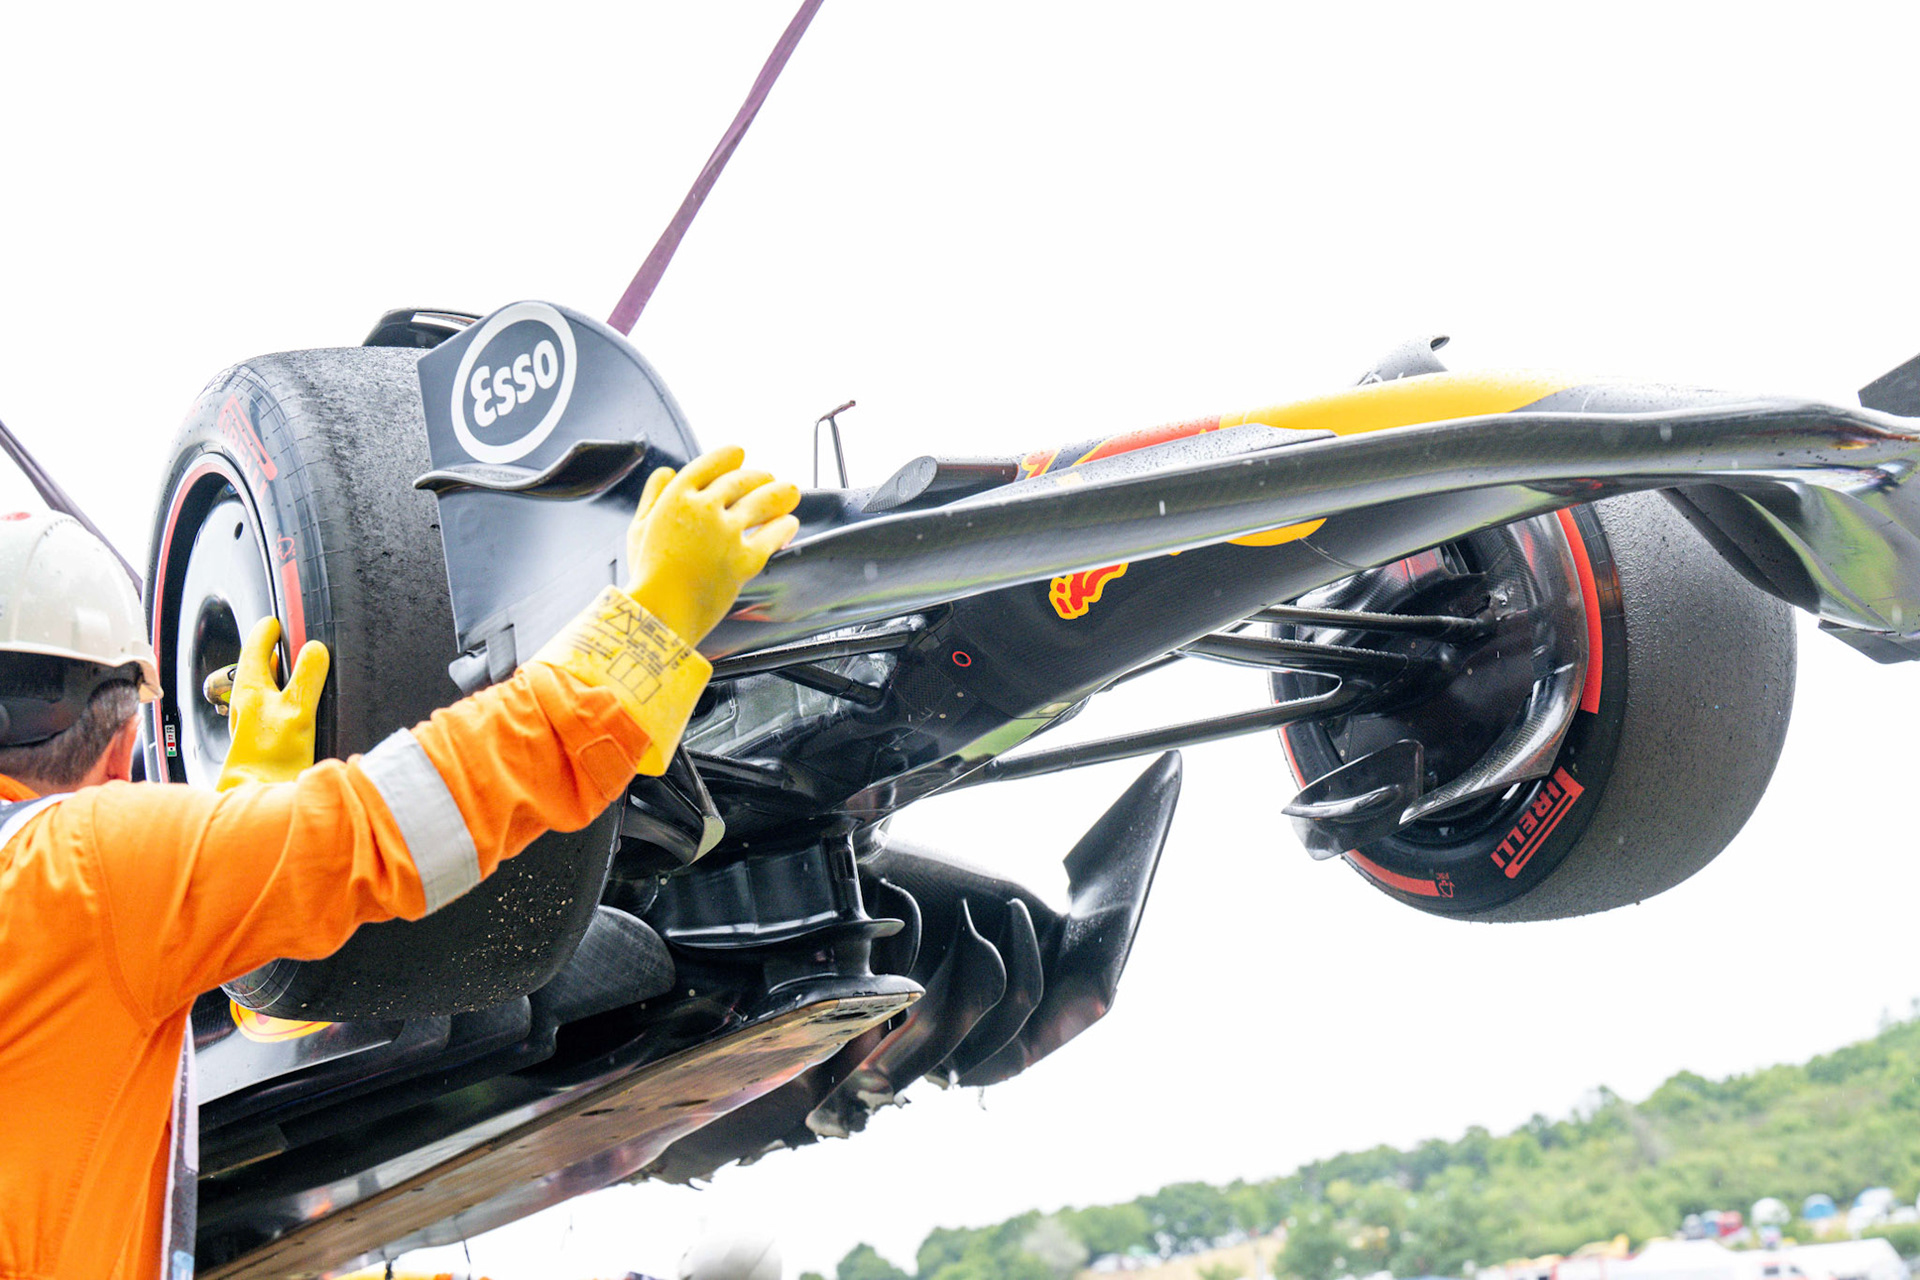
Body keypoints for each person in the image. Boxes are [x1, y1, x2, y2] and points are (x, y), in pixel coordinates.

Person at [0, 447, 800, 1280]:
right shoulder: (82, 868)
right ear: (127, 728)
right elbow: (403, 819)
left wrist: (238, 826)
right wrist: (653, 622)